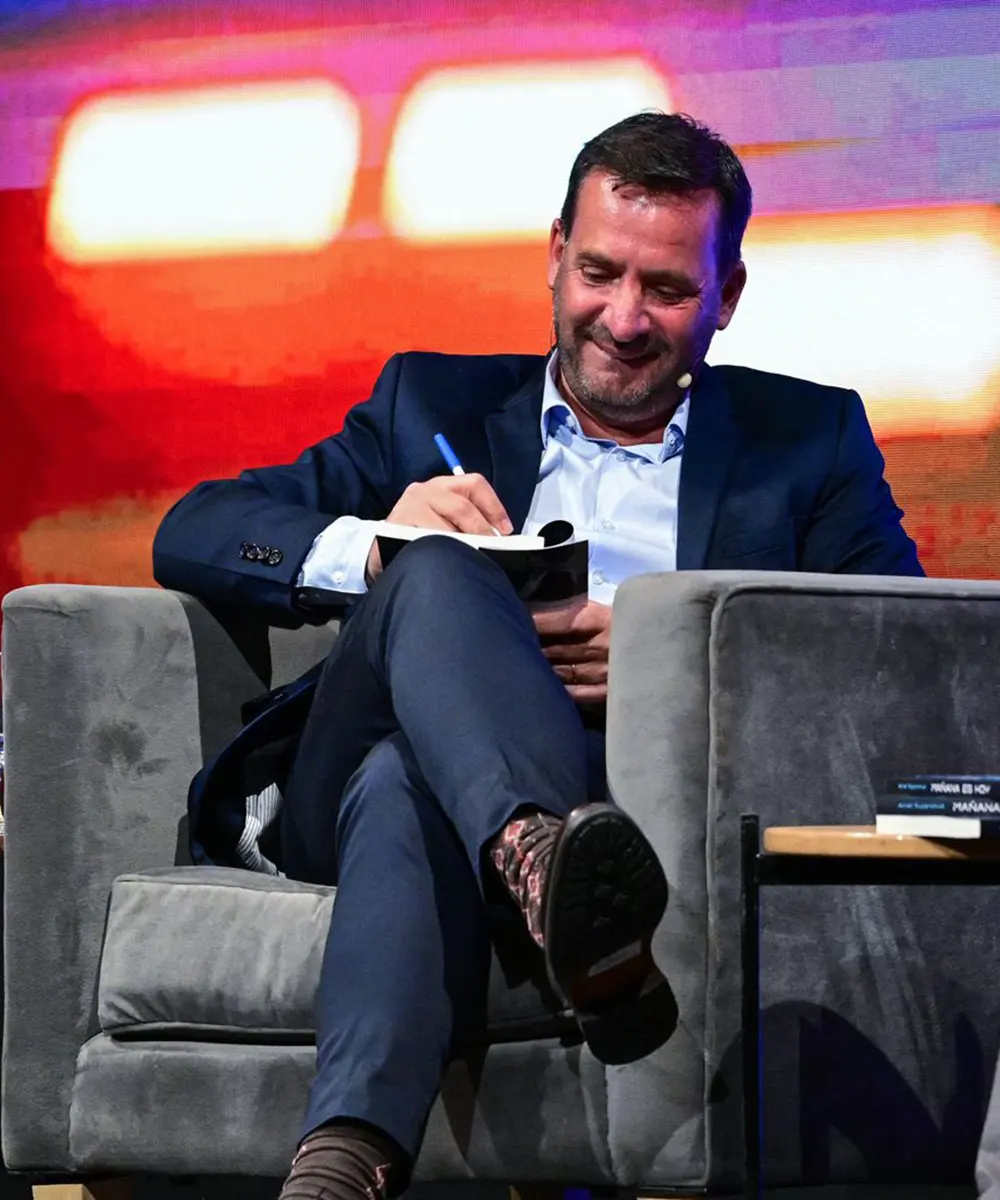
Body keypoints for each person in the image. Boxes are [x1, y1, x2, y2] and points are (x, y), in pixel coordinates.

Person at [153, 111, 924, 1200]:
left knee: (406, 779)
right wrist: (380, 546)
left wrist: (674, 663)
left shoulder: (807, 441)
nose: (622, 317)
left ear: (728, 297)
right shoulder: (428, 403)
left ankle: (344, 1164)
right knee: (435, 566)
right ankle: (537, 857)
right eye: (598, 273)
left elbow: (906, 648)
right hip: (351, 768)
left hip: (623, 809)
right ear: (553, 254)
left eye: (665, 289)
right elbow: (194, 526)